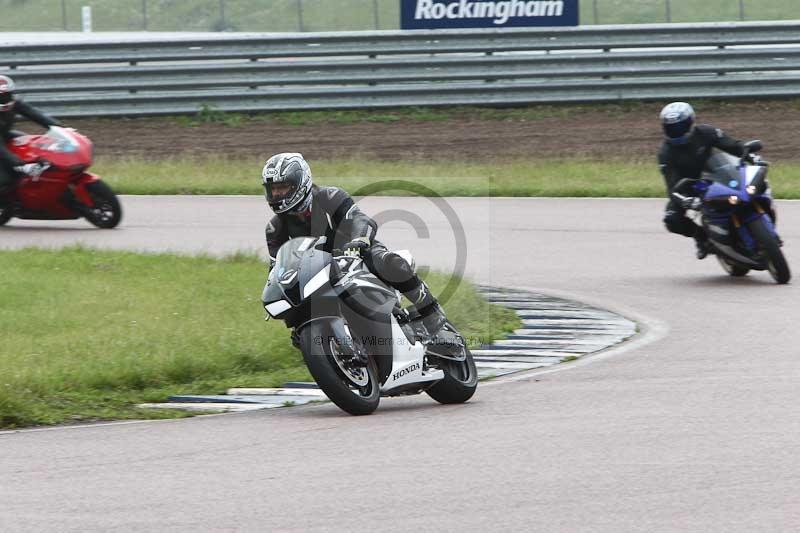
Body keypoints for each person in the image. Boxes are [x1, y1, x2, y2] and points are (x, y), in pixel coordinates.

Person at [262, 152, 453, 352]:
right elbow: (277, 268)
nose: (277, 195)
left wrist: (359, 241)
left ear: (300, 183)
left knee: (390, 264)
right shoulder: (274, 229)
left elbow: (362, 221)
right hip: (321, 272)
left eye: (282, 187)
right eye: (272, 189)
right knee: (299, 328)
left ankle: (431, 313)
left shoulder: (330, 197)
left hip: (357, 252)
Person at [657, 101, 758, 259]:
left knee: (755, 185)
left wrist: (749, 154)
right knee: (672, 219)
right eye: (671, 128)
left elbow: (732, 145)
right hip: (689, 187)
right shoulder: (665, 153)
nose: (676, 131)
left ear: (691, 122)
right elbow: (672, 185)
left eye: (680, 126)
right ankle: (701, 237)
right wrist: (685, 200)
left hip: (719, 174)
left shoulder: (706, 132)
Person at [0, 75, 63, 189]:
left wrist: (61, 128)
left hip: (4, 135)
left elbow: (34, 114)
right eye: (1, 96)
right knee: (4, 178)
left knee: (30, 144)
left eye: (7, 94)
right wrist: (20, 165)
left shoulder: (14, 102)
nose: (6, 98)